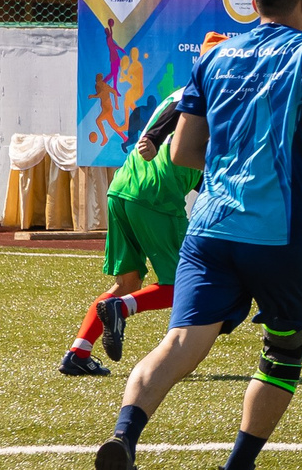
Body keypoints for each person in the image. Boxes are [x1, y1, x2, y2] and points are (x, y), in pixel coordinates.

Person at [89, 0, 302, 470]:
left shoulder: (214, 55)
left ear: (252, 1)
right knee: (285, 349)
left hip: (210, 225)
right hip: (276, 234)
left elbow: (184, 151)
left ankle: (123, 438)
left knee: (180, 343)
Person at [59, 97, 200, 377]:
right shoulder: (210, 89)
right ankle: (119, 309)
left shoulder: (185, 90)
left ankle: (78, 353)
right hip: (156, 194)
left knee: (127, 282)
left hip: (124, 185)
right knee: (181, 285)